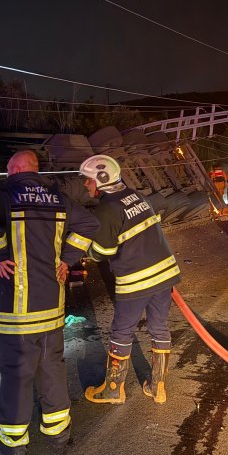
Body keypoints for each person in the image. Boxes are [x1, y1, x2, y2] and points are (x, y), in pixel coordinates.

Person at [0, 149, 99, 455]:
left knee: (17, 372)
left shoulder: (5, 196)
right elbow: (89, 224)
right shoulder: (58, 199)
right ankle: (58, 432)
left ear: (13, 168)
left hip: (17, 310)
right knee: (52, 366)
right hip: (52, 306)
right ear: (35, 169)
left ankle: (13, 443)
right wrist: (68, 260)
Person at [79, 154, 181, 405]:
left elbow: (102, 253)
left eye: (88, 180)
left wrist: (84, 250)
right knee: (159, 328)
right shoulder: (136, 196)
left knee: (121, 332)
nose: (85, 185)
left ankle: (114, 390)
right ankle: (158, 388)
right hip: (164, 274)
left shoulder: (107, 209)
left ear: (101, 179)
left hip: (136, 280)